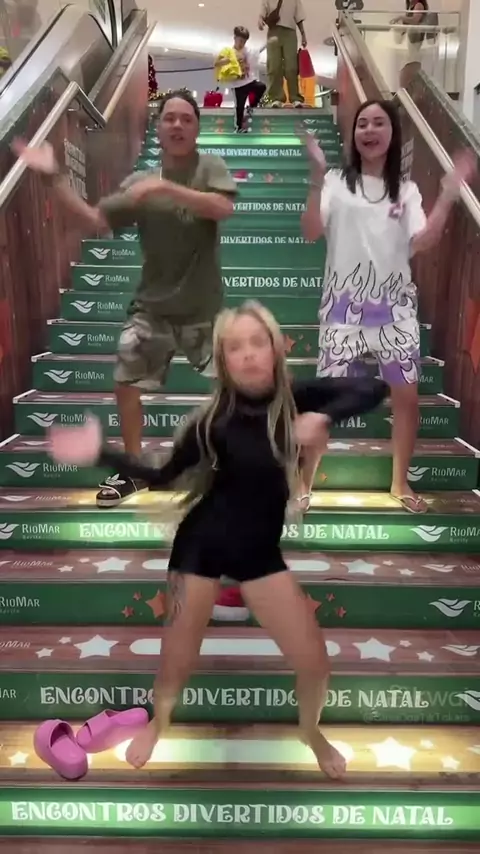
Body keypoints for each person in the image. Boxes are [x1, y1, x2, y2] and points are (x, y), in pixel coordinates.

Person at [47, 300, 388, 778]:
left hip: (258, 552)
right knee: (175, 663)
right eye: (235, 347)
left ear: (275, 348)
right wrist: (99, 453)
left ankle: (309, 732)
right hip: (201, 545)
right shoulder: (211, 421)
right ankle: (159, 722)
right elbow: (162, 477)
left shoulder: (298, 398)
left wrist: (325, 419)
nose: (248, 354)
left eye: (257, 342)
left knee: (315, 664)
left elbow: (374, 387)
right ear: (223, 361)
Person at [12, 90, 237, 508]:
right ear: (159, 127)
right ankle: (134, 468)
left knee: (234, 385)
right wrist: (52, 177)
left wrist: (166, 189)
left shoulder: (210, 167)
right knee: (125, 380)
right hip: (153, 306)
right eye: (169, 118)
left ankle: (227, 464)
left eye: (187, 118)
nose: (177, 125)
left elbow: (222, 208)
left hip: (204, 308)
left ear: (197, 128)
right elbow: (94, 220)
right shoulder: (138, 184)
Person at [299, 99, 476, 514]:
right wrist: (316, 177)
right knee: (326, 403)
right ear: (353, 134)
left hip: (395, 313)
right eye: (362, 123)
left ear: (393, 134)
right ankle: (303, 483)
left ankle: (400, 482)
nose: (369, 130)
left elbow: (424, 240)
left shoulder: (407, 191)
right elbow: (310, 231)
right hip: (343, 311)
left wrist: (448, 194)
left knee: (407, 399)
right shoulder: (337, 182)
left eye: (379, 123)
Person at [215, 26, 267, 133]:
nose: (241, 43)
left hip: (248, 80)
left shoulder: (247, 50)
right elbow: (217, 63)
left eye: (244, 41)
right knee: (239, 106)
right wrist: (229, 60)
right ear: (235, 38)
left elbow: (254, 57)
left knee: (261, 87)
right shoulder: (229, 51)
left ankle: (252, 106)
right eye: (240, 40)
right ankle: (238, 127)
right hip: (237, 85)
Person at [258, 0, 306, 108]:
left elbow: (298, 17)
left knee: (292, 67)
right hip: (273, 31)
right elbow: (263, 10)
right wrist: (260, 19)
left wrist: (303, 34)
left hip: (290, 32)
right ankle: (276, 98)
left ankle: (295, 98)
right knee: (274, 66)